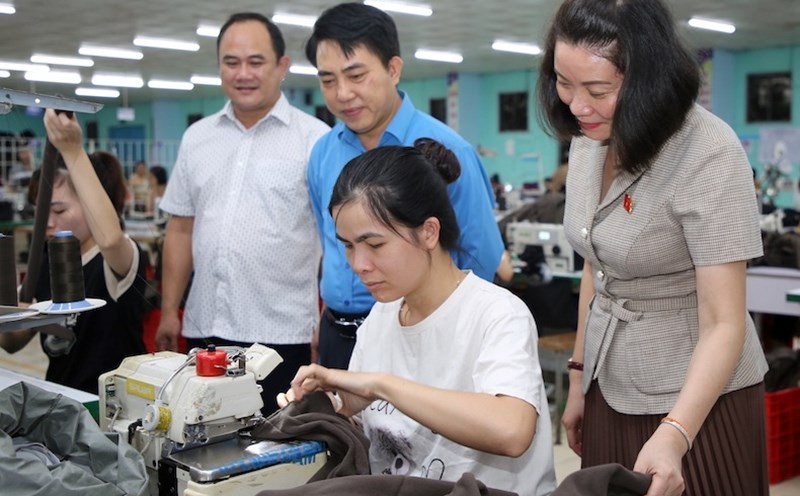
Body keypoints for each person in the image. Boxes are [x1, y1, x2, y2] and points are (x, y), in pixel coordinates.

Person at [536, 1, 768, 495]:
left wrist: (676, 433)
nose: (577, 106)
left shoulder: (708, 151)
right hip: (608, 380)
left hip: (697, 400)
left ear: (647, 76)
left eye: (598, 90)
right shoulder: (588, 138)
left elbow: (724, 322)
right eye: (563, 82)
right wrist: (577, 378)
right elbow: (595, 270)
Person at [280, 140, 557, 496]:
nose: (359, 265)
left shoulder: (497, 314)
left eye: (375, 245)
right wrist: (336, 407)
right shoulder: (381, 318)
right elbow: (374, 433)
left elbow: (512, 431)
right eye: (348, 246)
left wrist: (380, 385)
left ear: (429, 232)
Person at [305, 2, 504, 370]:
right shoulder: (322, 154)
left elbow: (480, 257)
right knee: (337, 429)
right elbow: (331, 245)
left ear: (393, 69)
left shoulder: (446, 149)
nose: (342, 93)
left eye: (356, 75)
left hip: (420, 336)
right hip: (338, 334)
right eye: (328, 80)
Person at [155, 12, 330, 414]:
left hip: (284, 336)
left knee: (278, 454)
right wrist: (168, 310)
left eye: (256, 62)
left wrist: (326, 316)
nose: (243, 73)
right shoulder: (197, 138)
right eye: (231, 62)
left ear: (282, 66)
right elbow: (180, 229)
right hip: (206, 332)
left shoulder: (314, 140)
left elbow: (336, 238)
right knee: (203, 444)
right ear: (219, 67)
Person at [0, 109, 148, 395]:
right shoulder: (45, 266)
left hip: (115, 407)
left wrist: (72, 151)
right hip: (65, 403)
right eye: (41, 213)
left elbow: (109, 238)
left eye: (58, 210)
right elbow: (12, 342)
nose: (48, 222)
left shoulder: (117, 259)